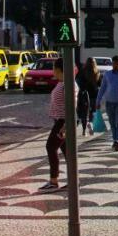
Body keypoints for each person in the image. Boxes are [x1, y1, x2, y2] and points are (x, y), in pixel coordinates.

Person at [39, 57, 68, 191]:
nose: (52, 71)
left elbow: (72, 105)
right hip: (59, 120)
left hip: (63, 121)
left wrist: (66, 125)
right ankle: (74, 180)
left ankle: (54, 180)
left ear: (57, 69)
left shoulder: (68, 84)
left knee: (50, 147)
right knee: (68, 152)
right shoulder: (62, 82)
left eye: (53, 68)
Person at [76, 57, 100, 135]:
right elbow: (99, 84)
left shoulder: (82, 71)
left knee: (84, 112)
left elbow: (78, 82)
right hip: (94, 94)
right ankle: (91, 124)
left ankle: (84, 130)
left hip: (84, 95)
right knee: (92, 112)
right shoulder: (97, 72)